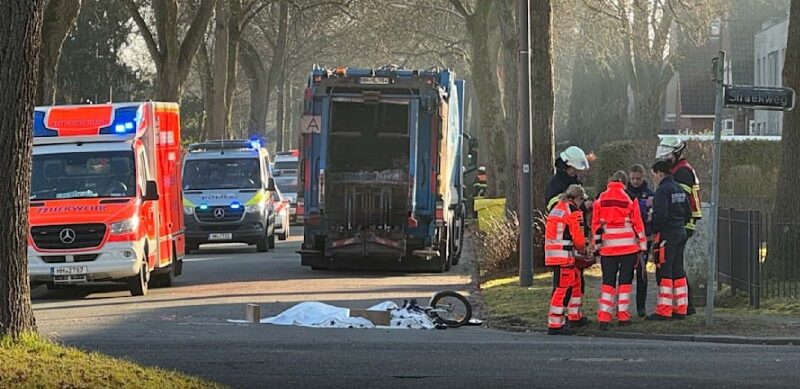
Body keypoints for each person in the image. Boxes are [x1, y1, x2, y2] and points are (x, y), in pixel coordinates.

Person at [592, 171, 647, 329]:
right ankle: (623, 316)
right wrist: (642, 247)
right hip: (628, 249)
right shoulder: (630, 197)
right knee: (625, 283)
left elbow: (596, 226)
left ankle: (604, 317)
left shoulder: (600, 198)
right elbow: (638, 224)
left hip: (608, 250)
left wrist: (597, 247)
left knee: (608, 283)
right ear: (623, 182)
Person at [656, 137, 702, 315]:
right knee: (676, 266)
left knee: (670, 267)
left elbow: (678, 202)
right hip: (683, 225)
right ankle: (683, 306)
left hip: (680, 225)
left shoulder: (681, 172)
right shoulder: (681, 168)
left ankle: (675, 306)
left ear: (676, 153)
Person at [647, 161, 691, 321]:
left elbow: (661, 215)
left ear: (659, 173)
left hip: (667, 234)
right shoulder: (679, 188)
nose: (653, 179)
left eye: (653, 175)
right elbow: (688, 212)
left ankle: (664, 310)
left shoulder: (662, 191)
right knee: (678, 270)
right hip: (680, 232)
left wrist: (653, 228)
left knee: (665, 270)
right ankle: (681, 308)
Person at [545, 184, 589, 335]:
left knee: (572, 283)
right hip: (564, 255)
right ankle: (555, 324)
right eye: (582, 200)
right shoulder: (574, 211)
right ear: (578, 198)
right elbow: (578, 237)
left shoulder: (558, 207)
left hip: (553, 254)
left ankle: (574, 316)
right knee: (563, 288)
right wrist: (584, 251)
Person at [627, 164, 655, 317]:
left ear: (643, 177)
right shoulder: (626, 193)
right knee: (627, 273)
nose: (635, 181)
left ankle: (641, 306)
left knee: (642, 274)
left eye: (638, 178)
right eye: (633, 179)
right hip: (627, 239)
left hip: (644, 238)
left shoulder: (649, 193)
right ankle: (624, 307)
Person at [545, 146, 590, 212]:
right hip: (563, 221)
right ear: (566, 166)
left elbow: (582, 199)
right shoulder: (555, 183)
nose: (576, 172)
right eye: (574, 169)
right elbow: (553, 205)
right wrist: (583, 206)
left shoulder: (576, 182)